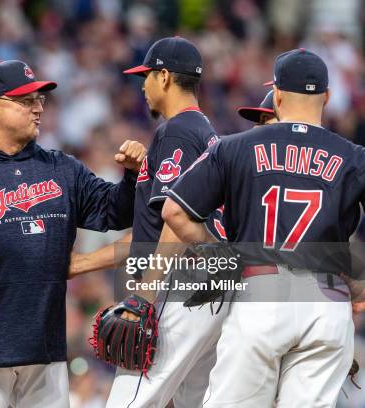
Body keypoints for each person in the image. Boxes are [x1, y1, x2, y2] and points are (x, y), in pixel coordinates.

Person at [0, 59, 146, 408]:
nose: (37, 108)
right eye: (25, 101)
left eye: (40, 100)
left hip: (45, 348)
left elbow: (113, 212)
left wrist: (132, 176)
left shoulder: (61, 167)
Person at [163, 49, 358, 407]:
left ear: (278, 95)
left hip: (261, 293)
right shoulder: (353, 156)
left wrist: (219, 252)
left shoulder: (235, 147)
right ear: (327, 98)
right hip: (329, 303)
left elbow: (174, 212)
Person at [93, 36, 227, 408]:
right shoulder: (205, 133)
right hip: (208, 288)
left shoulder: (178, 131)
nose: (143, 85)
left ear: (165, 76)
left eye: (148, 75)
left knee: (128, 400)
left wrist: (145, 294)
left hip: (178, 284)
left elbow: (177, 217)